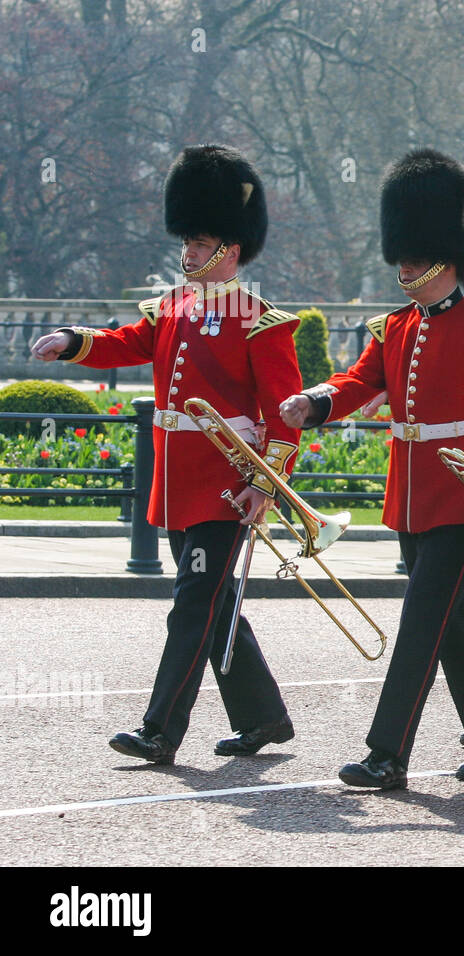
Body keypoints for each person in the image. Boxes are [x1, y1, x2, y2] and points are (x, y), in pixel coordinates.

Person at [31, 145, 300, 764]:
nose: (189, 253)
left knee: (192, 608)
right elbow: (127, 342)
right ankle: (264, 717)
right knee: (214, 601)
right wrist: (74, 342)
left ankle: (160, 730)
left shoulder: (259, 321)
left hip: (227, 485)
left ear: (230, 249)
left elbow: (284, 415)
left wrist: (269, 482)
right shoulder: (173, 307)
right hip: (179, 483)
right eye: (189, 242)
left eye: (201, 244)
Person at [280, 148, 464, 789]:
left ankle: (387, 753)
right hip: (411, 499)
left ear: (446, 258)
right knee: (448, 624)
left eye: (415, 257)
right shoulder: (396, 327)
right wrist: (316, 402)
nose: (405, 268)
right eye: (404, 256)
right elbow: (360, 382)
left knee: (420, 622)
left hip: (461, 500)